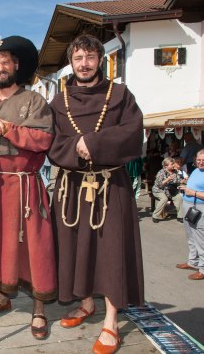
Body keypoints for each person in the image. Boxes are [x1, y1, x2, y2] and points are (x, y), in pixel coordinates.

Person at [47, 34, 144, 353]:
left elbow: (133, 131)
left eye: (90, 57)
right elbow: (50, 140)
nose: (84, 64)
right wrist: (76, 147)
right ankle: (86, 303)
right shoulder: (59, 101)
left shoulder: (119, 94)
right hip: (72, 187)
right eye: (78, 58)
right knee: (77, 247)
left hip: (110, 185)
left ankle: (111, 321)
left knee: (111, 251)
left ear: (100, 60)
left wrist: (96, 144)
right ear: (71, 63)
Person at [0, 35, 56, 340]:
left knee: (33, 247)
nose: (0, 67)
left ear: (16, 65)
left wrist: (5, 128)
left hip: (24, 185)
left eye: (5, 62)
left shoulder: (34, 101)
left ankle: (39, 309)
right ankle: (2, 296)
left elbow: (43, 141)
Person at [178, 148, 204, 280]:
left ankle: (203, 268)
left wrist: (193, 193)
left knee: (200, 237)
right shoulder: (196, 170)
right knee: (190, 235)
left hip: (200, 207)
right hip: (189, 205)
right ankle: (193, 261)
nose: (201, 162)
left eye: (203, 160)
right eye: (199, 160)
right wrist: (185, 185)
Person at [151, 157, 183, 223]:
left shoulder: (175, 172)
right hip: (159, 190)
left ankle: (180, 216)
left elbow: (178, 181)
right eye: (171, 164)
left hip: (170, 190)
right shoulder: (161, 172)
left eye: (173, 164)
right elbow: (158, 185)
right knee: (164, 199)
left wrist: (183, 180)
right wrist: (168, 179)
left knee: (179, 198)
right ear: (166, 166)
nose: (173, 165)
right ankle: (155, 216)